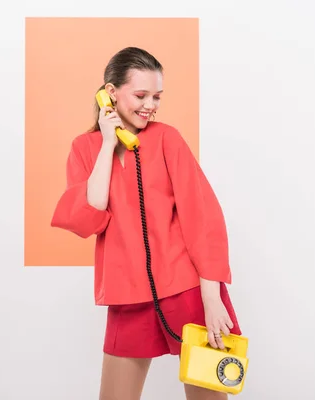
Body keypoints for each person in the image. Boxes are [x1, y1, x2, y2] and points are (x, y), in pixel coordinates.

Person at [50, 46, 242, 400]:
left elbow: (203, 218)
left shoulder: (168, 138)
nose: (150, 105)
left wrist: (212, 298)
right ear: (110, 93)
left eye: (157, 96)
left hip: (187, 288)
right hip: (128, 295)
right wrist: (109, 143)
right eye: (141, 95)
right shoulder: (85, 148)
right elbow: (89, 216)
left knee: (208, 398)